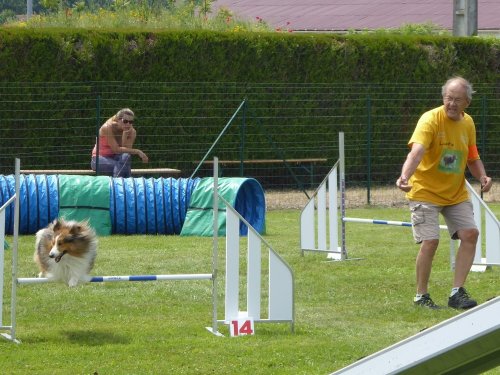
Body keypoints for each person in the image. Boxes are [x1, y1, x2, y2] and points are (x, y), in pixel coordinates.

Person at [396, 76, 493, 310]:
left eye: (457, 100)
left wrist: (482, 176)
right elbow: (417, 152)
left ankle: (456, 292)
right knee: (430, 241)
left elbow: (472, 156)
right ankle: (422, 296)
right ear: (443, 98)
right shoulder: (429, 120)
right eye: (448, 98)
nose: (451, 104)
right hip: (425, 191)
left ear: (467, 102)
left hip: (455, 193)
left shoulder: (468, 123)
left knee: (470, 234)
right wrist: (405, 176)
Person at [91, 108, 149, 177]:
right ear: (118, 120)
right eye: (125, 121)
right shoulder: (107, 127)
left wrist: (125, 135)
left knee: (126, 156)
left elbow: (127, 151)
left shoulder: (132, 132)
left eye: (131, 122)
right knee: (121, 166)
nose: (128, 124)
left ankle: (118, 185)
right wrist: (138, 151)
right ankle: (122, 184)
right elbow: (116, 150)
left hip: (116, 159)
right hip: (99, 159)